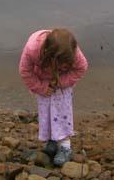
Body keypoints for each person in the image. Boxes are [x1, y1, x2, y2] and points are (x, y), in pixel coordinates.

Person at [18, 28, 88, 166]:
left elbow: (81, 68)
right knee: (45, 112)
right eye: (61, 63)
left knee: (62, 113)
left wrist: (61, 83)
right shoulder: (32, 49)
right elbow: (25, 71)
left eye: (65, 63)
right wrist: (41, 87)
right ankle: (52, 140)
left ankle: (65, 147)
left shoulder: (72, 52)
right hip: (42, 81)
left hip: (62, 84)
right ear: (48, 54)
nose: (63, 65)